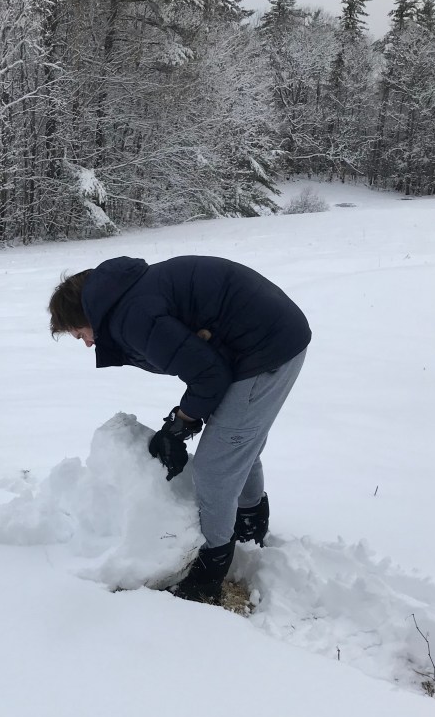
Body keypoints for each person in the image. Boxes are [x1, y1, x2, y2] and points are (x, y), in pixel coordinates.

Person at [48, 255, 311, 603]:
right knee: (234, 443)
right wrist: (182, 421)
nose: (86, 343)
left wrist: (179, 425)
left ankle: (209, 573)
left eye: (80, 334)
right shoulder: (127, 299)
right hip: (265, 337)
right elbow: (201, 360)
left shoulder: (132, 317)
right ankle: (249, 525)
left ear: (88, 316)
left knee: (215, 466)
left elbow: (208, 375)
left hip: (269, 347)